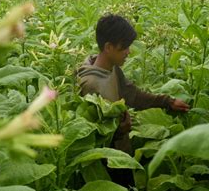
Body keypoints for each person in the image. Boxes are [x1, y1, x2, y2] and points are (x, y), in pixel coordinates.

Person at [76, 14, 189, 157]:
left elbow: (133, 95)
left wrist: (168, 102)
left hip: (122, 153)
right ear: (108, 47)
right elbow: (88, 137)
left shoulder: (112, 68)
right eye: (124, 47)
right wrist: (119, 132)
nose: (128, 52)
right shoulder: (90, 84)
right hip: (108, 163)